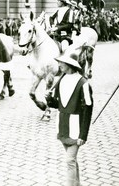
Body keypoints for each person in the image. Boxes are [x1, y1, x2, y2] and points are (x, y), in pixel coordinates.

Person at [45, 52, 93, 186]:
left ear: (70, 65)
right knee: (71, 160)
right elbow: (57, 104)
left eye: (62, 63)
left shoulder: (83, 83)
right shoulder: (61, 80)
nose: (59, 65)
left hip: (75, 129)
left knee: (69, 161)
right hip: (63, 125)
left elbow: (88, 109)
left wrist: (83, 135)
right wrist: (49, 98)